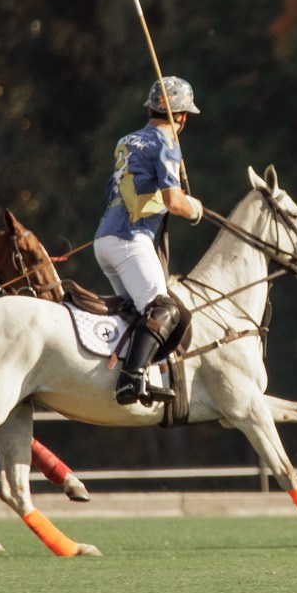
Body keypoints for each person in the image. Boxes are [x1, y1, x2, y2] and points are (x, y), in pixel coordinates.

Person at [93, 77, 206, 404]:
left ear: (150, 108)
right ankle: (131, 379)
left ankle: (144, 374)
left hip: (105, 240)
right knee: (164, 310)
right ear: (181, 116)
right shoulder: (168, 144)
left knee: (150, 317)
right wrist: (194, 207)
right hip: (130, 241)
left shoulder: (126, 140)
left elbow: (136, 194)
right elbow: (174, 202)